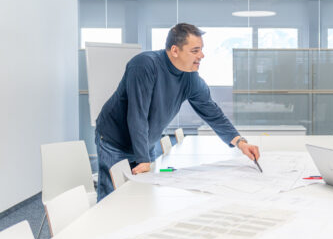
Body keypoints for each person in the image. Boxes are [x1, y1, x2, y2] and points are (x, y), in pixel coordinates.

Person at [94, 23, 260, 201]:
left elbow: (213, 113)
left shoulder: (190, 77)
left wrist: (241, 143)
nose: (201, 56)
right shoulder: (144, 65)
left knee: (143, 198)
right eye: (195, 51)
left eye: (201, 50)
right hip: (115, 141)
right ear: (175, 50)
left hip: (145, 142)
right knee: (111, 200)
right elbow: (137, 114)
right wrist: (143, 159)